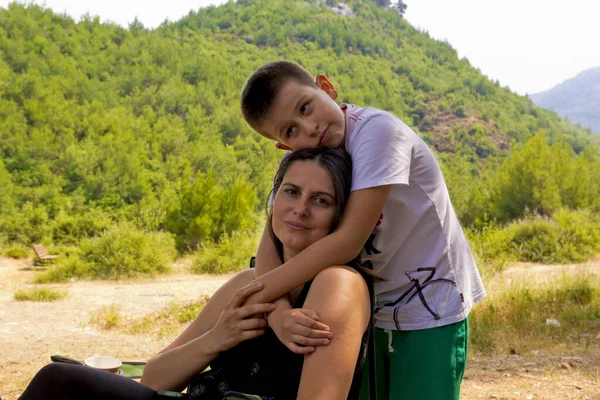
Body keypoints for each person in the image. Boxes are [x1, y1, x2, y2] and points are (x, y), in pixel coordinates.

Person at [18, 147, 371, 400]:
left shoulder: (336, 284)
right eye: (291, 192)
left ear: (341, 218)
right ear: (274, 200)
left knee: (61, 381)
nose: (300, 209)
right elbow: (154, 377)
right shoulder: (246, 284)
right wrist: (218, 337)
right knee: (62, 381)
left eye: (321, 200)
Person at [239, 60, 486, 400]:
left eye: (306, 107)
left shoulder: (377, 132)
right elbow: (272, 240)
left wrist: (258, 291)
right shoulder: (302, 162)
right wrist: (279, 316)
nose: (308, 128)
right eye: (290, 131)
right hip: (367, 307)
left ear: (326, 87)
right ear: (283, 145)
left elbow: (347, 241)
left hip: (431, 302)